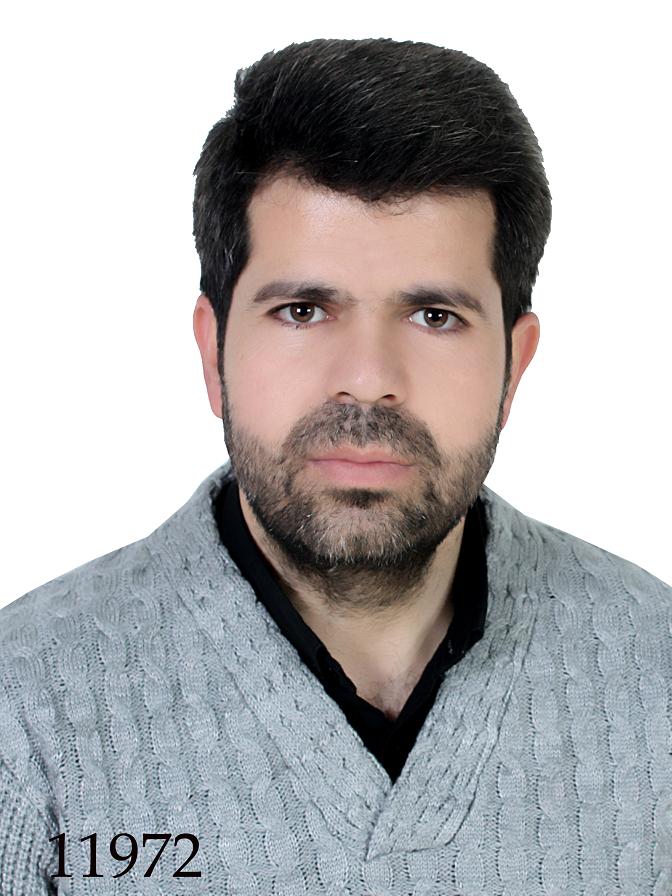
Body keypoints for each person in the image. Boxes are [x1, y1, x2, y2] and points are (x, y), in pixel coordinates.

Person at [1, 36, 670, 896]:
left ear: (515, 365)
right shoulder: (26, 718)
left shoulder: (656, 671)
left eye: (434, 316)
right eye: (304, 310)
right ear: (213, 353)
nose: (366, 378)